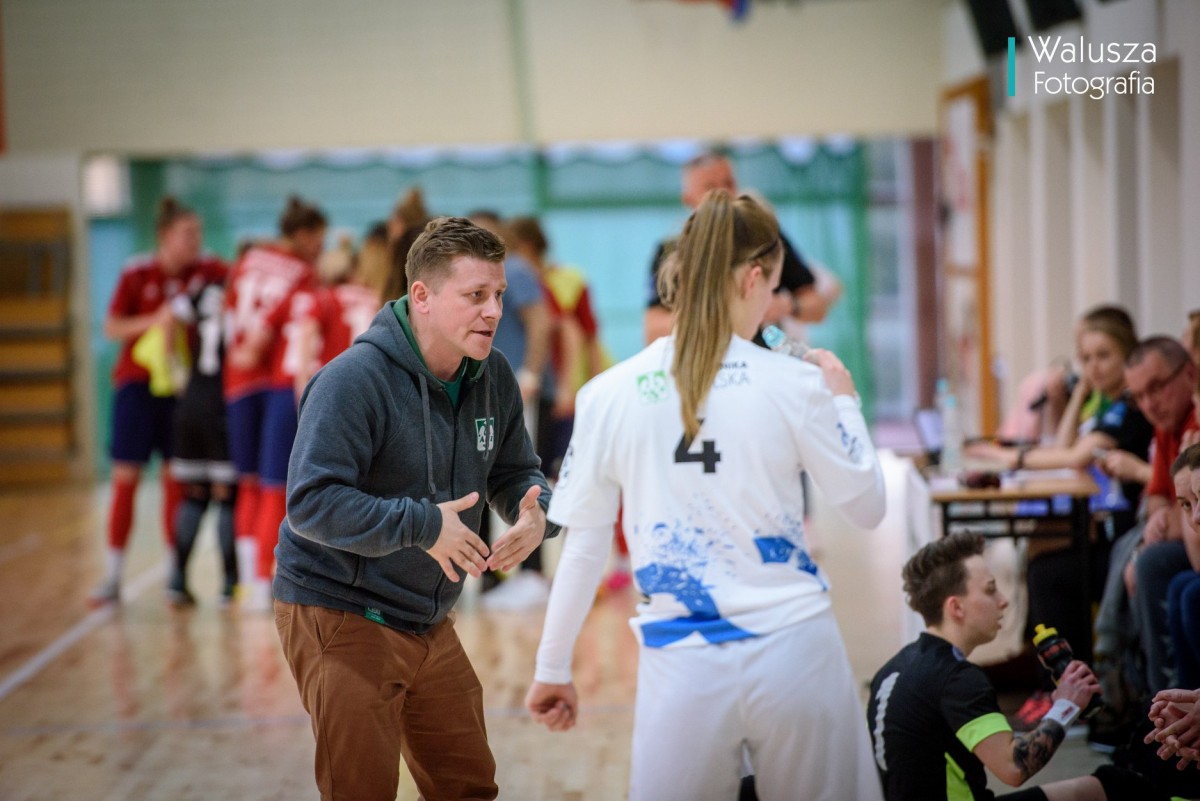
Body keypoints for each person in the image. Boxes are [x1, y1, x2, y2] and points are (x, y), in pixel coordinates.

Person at [525, 191, 885, 800]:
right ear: (752, 278)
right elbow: (868, 506)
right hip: (797, 654)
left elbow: (584, 547)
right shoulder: (796, 382)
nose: (772, 302)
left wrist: (552, 668)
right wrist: (844, 402)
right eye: (773, 287)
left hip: (682, 667)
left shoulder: (607, 393)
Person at [274, 217, 559, 801]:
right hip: (339, 609)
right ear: (422, 296)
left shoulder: (493, 375)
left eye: (499, 294)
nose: (494, 312)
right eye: (475, 295)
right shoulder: (352, 381)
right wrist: (425, 525)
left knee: (469, 787)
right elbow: (311, 503)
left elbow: (515, 472)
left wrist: (535, 512)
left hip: (425, 617)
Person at [868, 532, 1148, 801]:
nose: (1002, 601)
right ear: (956, 607)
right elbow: (1014, 766)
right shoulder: (956, 678)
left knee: (1104, 785)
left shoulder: (892, 670)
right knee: (1118, 786)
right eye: (990, 590)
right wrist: (1066, 706)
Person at [91, 197, 226, 606]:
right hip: (137, 387)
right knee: (126, 479)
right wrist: (161, 318)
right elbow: (112, 327)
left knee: (176, 480)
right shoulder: (137, 272)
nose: (196, 240)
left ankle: (174, 577)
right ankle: (112, 576)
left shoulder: (208, 270)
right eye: (188, 233)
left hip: (182, 392)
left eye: (199, 232)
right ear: (165, 236)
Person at [223, 196, 325, 610]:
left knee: (250, 484)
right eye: (317, 239)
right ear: (301, 234)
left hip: (236, 382)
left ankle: (248, 582)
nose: (319, 248)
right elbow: (271, 329)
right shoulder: (302, 272)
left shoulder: (249, 258)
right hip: (273, 383)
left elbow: (231, 310)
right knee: (274, 485)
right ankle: (263, 582)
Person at [642, 150, 840, 344]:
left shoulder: (767, 238)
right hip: (704, 361)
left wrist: (786, 305)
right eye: (710, 188)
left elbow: (817, 305)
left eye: (728, 183)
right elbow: (653, 330)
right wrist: (716, 316)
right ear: (688, 199)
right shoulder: (671, 251)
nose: (723, 194)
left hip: (764, 357)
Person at [1096, 336, 1199, 699]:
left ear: (1189, 373)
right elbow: (1157, 503)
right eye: (1138, 396)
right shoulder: (1165, 426)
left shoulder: (1194, 424)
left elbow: (1186, 523)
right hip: (1185, 546)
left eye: (1156, 388)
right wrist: (1168, 516)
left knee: (1151, 564)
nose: (1149, 405)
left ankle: (1161, 703)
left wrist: (1171, 516)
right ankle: (1150, 701)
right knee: (1133, 549)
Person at [467, 210, 553, 610]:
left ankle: (531, 573)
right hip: (491, 389)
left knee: (525, 480)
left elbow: (541, 321)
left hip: (520, 389)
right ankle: (489, 576)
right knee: (482, 477)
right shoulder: (482, 274)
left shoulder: (512, 268)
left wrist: (530, 372)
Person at [166, 261, 236, 606]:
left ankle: (176, 580)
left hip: (192, 399)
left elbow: (169, 316)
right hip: (225, 401)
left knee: (195, 492)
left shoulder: (207, 291)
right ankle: (230, 585)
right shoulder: (245, 295)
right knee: (226, 494)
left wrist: (174, 367)